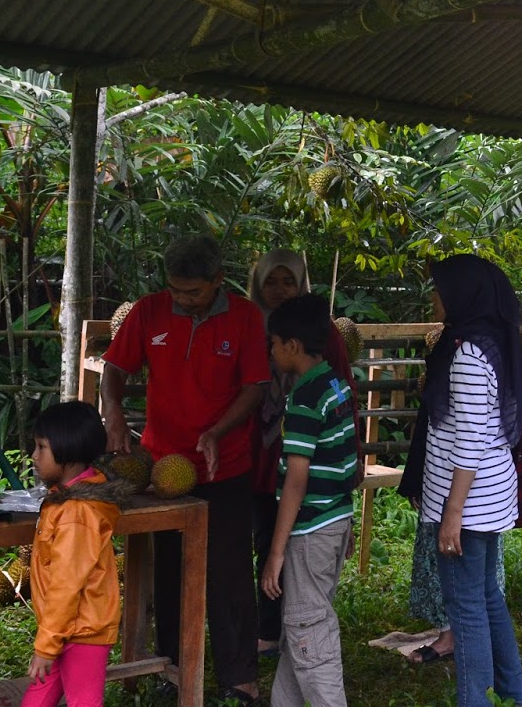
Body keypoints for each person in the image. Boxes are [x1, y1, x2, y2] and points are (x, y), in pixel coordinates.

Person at [100, 234, 269, 703]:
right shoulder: (149, 311)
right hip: (162, 468)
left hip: (225, 466)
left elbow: (255, 386)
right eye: (176, 290)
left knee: (230, 572)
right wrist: (113, 411)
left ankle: (240, 676)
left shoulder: (245, 317)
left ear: (217, 281)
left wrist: (217, 432)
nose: (182, 300)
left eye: (193, 292)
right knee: (171, 571)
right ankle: (171, 669)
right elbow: (115, 368)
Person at [410, 255, 522, 707]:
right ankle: (514, 694)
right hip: (490, 496)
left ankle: (475, 699)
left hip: (469, 503)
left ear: (463, 295)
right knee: (487, 598)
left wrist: (450, 516)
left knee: (467, 611)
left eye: (440, 290)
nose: (434, 298)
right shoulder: (491, 340)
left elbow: (470, 442)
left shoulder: (467, 355)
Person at [248, 249, 355, 657]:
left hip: (311, 460)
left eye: (286, 281)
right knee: (268, 537)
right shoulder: (250, 326)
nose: (278, 290)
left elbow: (346, 396)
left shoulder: (321, 338)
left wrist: (352, 459)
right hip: (263, 455)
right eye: (270, 282)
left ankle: (301, 630)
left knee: (295, 547)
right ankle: (271, 629)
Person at [259, 294, 358, 707]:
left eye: (274, 344)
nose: (271, 351)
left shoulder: (302, 398)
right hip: (334, 521)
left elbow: (296, 481)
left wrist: (276, 551)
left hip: (309, 531)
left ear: (293, 346)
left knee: (308, 631)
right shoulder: (335, 383)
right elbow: (347, 459)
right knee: (302, 625)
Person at [22, 400, 133, 707]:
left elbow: (66, 584)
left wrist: (45, 646)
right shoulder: (64, 500)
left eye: (41, 448)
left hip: (82, 634)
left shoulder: (76, 514)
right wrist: (51, 638)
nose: (34, 456)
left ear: (68, 453)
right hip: (62, 630)